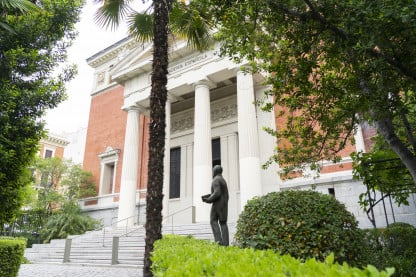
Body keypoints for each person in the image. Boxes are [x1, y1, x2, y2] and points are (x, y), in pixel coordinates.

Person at [202, 165, 229, 246]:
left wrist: (208, 199)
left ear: (215, 171)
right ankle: (226, 244)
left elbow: (217, 193)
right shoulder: (223, 180)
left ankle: (219, 242)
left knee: (213, 221)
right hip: (224, 204)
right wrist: (210, 195)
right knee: (223, 223)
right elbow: (221, 193)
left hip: (217, 204)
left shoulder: (216, 180)